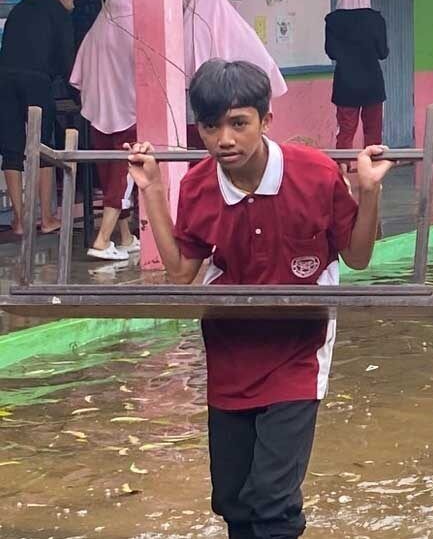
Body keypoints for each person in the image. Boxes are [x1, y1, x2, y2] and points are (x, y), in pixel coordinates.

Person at [125, 59, 393, 539]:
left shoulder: (314, 173)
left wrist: (368, 192)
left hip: (298, 347)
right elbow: (183, 272)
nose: (224, 139)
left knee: (273, 502)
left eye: (238, 123)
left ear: (266, 120)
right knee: (233, 501)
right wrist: (153, 192)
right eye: (211, 126)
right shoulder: (199, 186)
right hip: (230, 347)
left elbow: (356, 257)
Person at [0, 0, 79, 236]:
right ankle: (46, 218)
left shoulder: (20, 9)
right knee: (43, 145)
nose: (74, 4)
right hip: (36, 81)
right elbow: (67, 61)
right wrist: (77, 95)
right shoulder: (58, 13)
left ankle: (20, 220)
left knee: (12, 148)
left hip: (5, 80)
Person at [69, 0, 138, 260]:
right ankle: (101, 240)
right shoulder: (136, 30)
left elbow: (78, 76)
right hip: (130, 114)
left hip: (98, 115)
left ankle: (125, 237)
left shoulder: (96, 31)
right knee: (124, 178)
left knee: (110, 177)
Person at [183, 0, 288, 150]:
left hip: (202, 115)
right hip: (245, 113)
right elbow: (266, 67)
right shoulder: (242, 30)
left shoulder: (187, 31)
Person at [325, 0, 388, 152]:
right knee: (373, 133)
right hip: (372, 84)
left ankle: (342, 173)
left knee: (345, 132)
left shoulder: (333, 20)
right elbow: (383, 53)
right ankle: (372, 173)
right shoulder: (376, 20)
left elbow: (331, 52)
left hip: (345, 84)